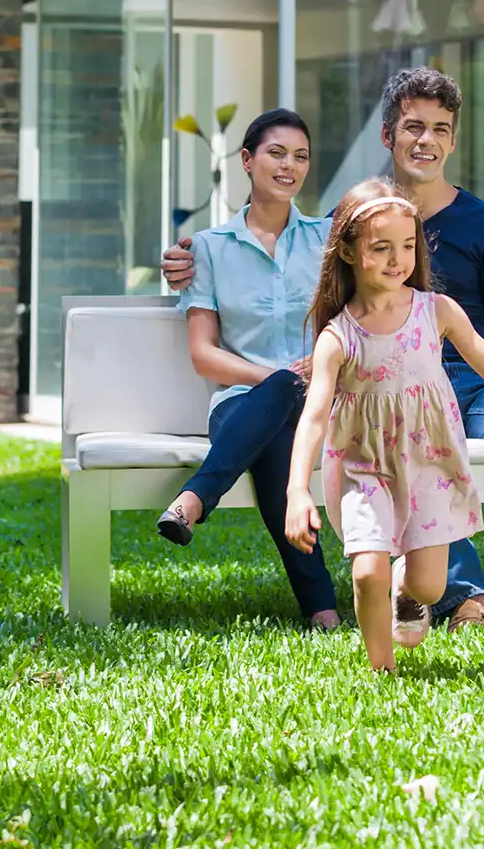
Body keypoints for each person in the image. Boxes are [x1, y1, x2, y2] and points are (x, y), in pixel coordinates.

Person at [164, 68, 484, 630]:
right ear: (388, 137)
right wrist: (188, 259)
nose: (425, 140)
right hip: (386, 383)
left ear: (452, 140)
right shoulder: (348, 223)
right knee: (406, 432)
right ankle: (461, 594)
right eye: (413, 127)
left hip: (476, 380)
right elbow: (282, 256)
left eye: (439, 129)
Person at [285, 180, 484, 672]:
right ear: (348, 252)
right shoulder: (339, 336)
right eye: (381, 248)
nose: (398, 259)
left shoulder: (435, 312)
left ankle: (405, 586)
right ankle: (382, 669)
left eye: (408, 246)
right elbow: (313, 417)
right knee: (367, 569)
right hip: (364, 465)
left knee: (430, 586)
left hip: (428, 463)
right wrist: (296, 491)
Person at [155, 108, 341, 631]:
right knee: (277, 437)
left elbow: (355, 318)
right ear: (247, 160)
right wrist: (281, 380)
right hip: (240, 405)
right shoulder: (208, 249)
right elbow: (203, 354)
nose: (290, 166)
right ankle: (323, 612)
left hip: (321, 401)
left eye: (300, 157)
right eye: (277, 153)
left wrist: (314, 371)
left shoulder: (328, 240)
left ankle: (194, 499)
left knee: (282, 420)